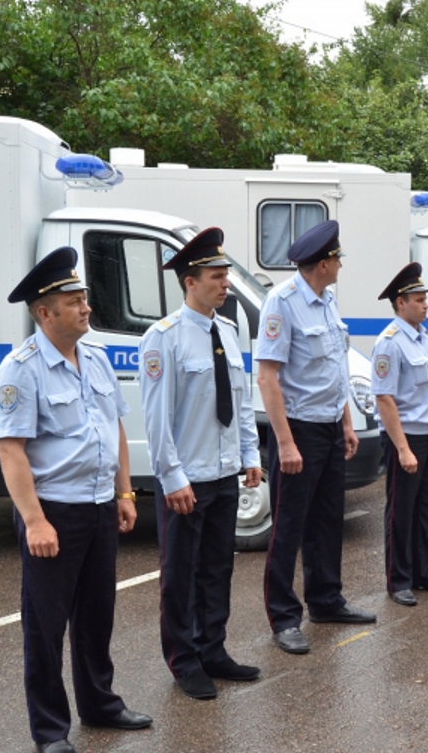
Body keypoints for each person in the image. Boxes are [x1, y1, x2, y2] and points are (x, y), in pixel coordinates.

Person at [0, 247, 152, 753]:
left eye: (84, 298)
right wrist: (34, 521)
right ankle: (50, 731)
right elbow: (10, 450)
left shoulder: (97, 359)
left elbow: (116, 427)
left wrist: (125, 491)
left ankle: (100, 705)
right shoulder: (21, 369)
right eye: (74, 300)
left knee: (97, 615)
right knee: (45, 627)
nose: (86, 307)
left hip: (101, 506)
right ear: (45, 312)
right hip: (54, 513)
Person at [139, 227, 264, 701]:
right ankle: (184, 659)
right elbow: (157, 418)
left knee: (218, 569)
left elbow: (241, 400)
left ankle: (214, 650)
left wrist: (249, 456)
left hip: (225, 475)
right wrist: (171, 477)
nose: (225, 283)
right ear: (190, 281)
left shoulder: (228, 332)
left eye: (225, 275)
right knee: (181, 576)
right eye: (216, 276)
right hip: (187, 480)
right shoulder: (164, 339)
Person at [254, 221, 376, 657]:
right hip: (298, 428)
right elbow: (268, 378)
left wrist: (345, 422)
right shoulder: (281, 303)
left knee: (327, 519)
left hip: (327, 424)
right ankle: (284, 617)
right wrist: (284, 443)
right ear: (322, 264)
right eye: (338, 258)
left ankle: (326, 600)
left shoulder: (327, 302)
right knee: (288, 526)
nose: (341, 264)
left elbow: (335, 369)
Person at [371, 262, 428, 606]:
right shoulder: (389, 343)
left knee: (426, 509)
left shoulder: (426, 339)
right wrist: (403, 449)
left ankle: (422, 571)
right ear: (401, 302)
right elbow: (384, 398)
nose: (425, 305)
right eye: (419, 299)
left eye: (425, 299)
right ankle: (399, 579)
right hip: (404, 437)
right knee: (401, 511)